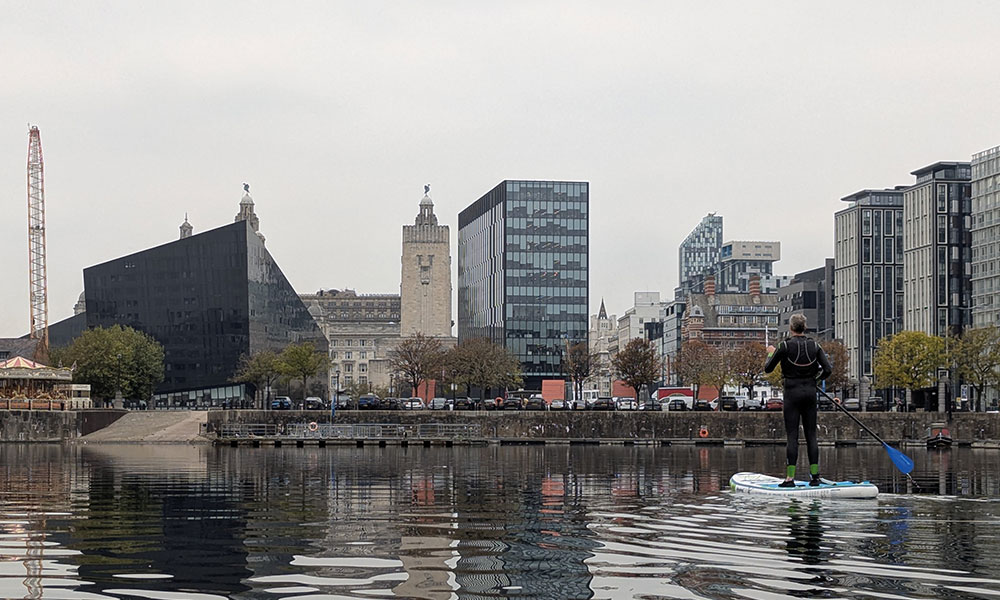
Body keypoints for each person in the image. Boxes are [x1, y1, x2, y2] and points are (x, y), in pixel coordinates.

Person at [764, 313, 833, 487]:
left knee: (792, 436)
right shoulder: (815, 346)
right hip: (810, 393)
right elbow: (827, 370)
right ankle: (815, 477)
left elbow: (768, 369)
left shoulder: (784, 346)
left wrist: (771, 354)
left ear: (791, 328)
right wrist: (815, 380)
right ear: (805, 327)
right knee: (811, 435)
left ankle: (790, 479)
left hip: (792, 394)